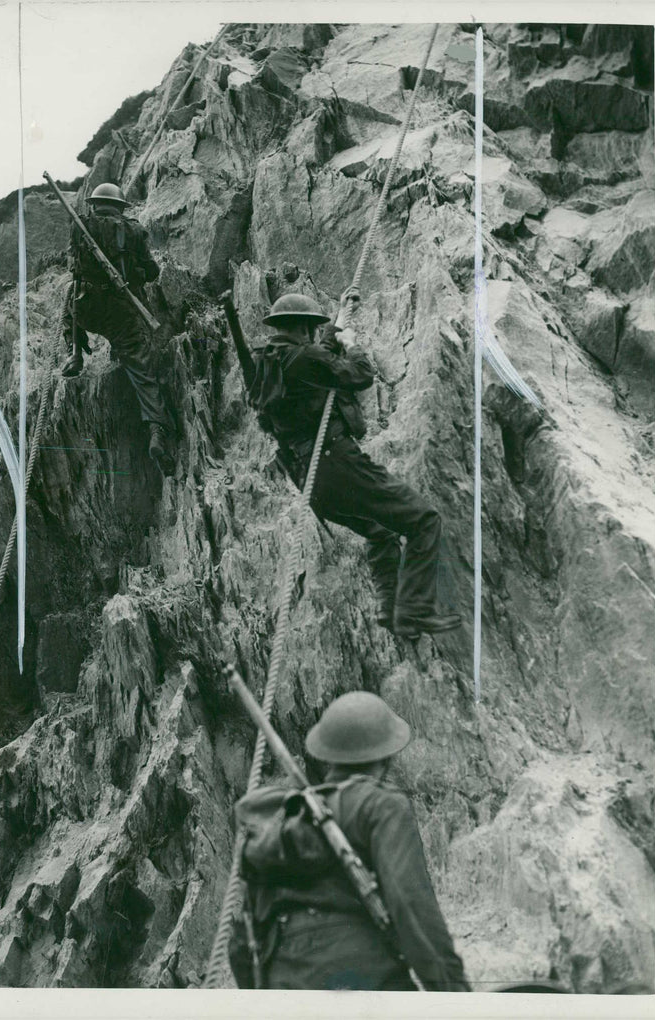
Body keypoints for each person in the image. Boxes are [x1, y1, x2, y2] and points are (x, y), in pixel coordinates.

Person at [248, 288, 460, 638]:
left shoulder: (269, 363)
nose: (317, 335)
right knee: (423, 520)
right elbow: (360, 374)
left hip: (310, 480)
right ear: (303, 329)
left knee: (381, 530)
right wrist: (350, 341)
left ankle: (388, 609)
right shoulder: (305, 358)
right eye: (313, 330)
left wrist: (337, 323)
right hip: (337, 461)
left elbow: (314, 360)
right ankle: (414, 612)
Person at [230, 690, 471, 991]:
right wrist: (455, 994)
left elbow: (243, 936)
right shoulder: (380, 805)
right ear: (386, 756)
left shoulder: (284, 820)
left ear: (327, 756)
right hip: (364, 979)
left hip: (284, 985)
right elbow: (411, 906)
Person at [61, 182, 175, 475]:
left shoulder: (80, 225)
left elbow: (73, 265)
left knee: (71, 295)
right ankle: (157, 432)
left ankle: (75, 354)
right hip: (121, 313)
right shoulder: (134, 231)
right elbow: (151, 272)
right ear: (121, 207)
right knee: (143, 369)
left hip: (87, 310)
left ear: (94, 204)